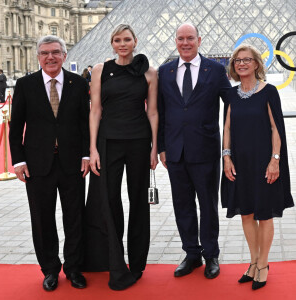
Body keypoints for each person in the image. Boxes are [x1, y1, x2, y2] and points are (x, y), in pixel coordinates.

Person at [9, 35, 90, 291]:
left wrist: (86, 155)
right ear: (38, 57)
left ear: (65, 55)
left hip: (72, 162)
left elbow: (85, 123)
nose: (50, 57)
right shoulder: (25, 84)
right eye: (45, 53)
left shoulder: (78, 83)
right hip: (36, 163)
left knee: (75, 217)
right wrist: (18, 160)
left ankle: (74, 267)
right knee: (42, 219)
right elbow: (16, 126)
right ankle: (50, 270)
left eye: (55, 52)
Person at [84, 24, 158, 290]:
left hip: (139, 142)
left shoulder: (149, 72)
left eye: (127, 39)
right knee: (110, 202)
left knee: (139, 201)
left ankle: (137, 264)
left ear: (135, 41)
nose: (122, 44)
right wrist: (92, 149)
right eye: (117, 40)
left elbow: (152, 112)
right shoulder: (100, 70)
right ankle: (116, 264)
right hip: (108, 143)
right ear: (111, 43)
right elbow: (95, 111)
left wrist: (154, 147)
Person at [158, 23, 231, 279]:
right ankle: (192, 254)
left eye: (190, 38)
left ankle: (211, 254)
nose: (185, 43)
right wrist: (161, 147)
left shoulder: (216, 70)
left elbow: (231, 107)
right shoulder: (164, 72)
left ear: (199, 40)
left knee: (208, 206)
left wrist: (230, 148)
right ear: (175, 41)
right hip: (175, 152)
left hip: (206, 150)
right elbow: (160, 112)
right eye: (181, 38)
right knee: (183, 205)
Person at [221, 44, 294, 290]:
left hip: (263, 162)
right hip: (240, 162)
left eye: (247, 60)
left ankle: (263, 264)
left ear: (256, 64)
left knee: (264, 213)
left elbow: (276, 128)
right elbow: (227, 128)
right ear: (233, 65)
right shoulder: (230, 95)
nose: (241, 63)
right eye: (237, 60)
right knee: (246, 213)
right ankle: (253, 261)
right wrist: (226, 157)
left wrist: (275, 160)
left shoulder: (269, 91)